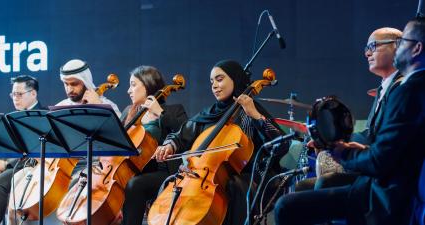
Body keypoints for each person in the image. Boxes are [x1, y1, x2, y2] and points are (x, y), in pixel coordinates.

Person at [274, 17, 425, 225]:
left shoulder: (409, 90)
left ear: (416, 49)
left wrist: (343, 152)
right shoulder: (410, 88)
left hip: (388, 197)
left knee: (286, 206)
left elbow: (380, 160)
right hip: (384, 186)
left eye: (403, 42)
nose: (367, 53)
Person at [153, 59, 287, 225]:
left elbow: (281, 144)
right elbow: (181, 134)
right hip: (209, 176)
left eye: (219, 79)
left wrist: (256, 116)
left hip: (251, 174)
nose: (214, 85)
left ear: (235, 79)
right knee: (171, 182)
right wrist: (169, 145)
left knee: (235, 186)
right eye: (211, 82)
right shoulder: (208, 113)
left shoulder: (250, 108)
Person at [295, 27, 404, 191]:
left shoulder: (402, 88)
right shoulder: (383, 88)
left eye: (373, 46)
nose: (367, 54)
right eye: (366, 49)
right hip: (372, 166)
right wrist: (330, 142)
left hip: (386, 176)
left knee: (324, 183)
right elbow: (370, 133)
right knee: (302, 187)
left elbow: (383, 141)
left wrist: (339, 146)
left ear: (397, 46)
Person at [119, 65, 188, 225]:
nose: (129, 90)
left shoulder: (174, 110)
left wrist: (160, 113)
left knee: (134, 184)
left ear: (148, 84)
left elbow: (185, 134)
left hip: (163, 171)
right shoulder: (129, 112)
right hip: (130, 169)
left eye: (133, 84)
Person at [0, 75, 44, 224]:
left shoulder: (43, 116)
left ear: (33, 93)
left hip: (25, 167)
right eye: (13, 94)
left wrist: (6, 165)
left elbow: (35, 150)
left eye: (19, 94)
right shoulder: (9, 116)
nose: (15, 98)